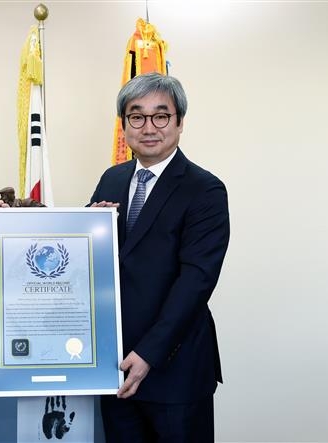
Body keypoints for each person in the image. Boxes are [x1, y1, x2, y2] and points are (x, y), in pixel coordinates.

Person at [89, 72, 230, 442]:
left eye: (161, 116)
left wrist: (149, 354)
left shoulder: (205, 190)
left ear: (180, 122)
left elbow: (195, 282)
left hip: (174, 369)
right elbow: (83, 259)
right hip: (115, 367)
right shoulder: (111, 179)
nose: (149, 127)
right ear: (124, 125)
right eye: (137, 116)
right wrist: (5, 218)